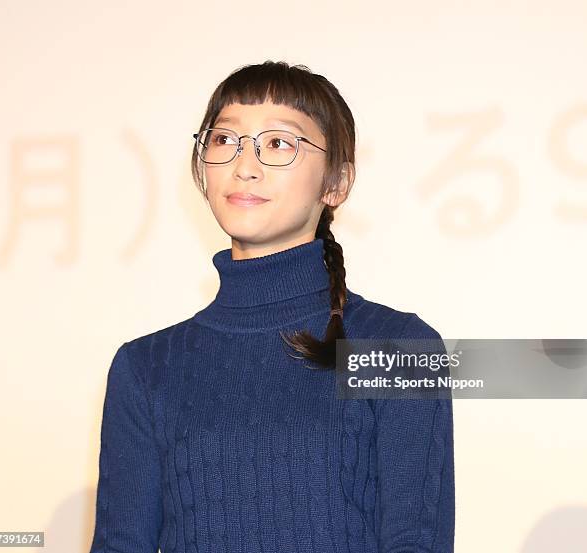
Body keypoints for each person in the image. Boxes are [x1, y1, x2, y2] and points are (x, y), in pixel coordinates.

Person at [89, 60, 455, 553]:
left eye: (279, 143)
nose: (245, 165)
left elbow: (417, 541)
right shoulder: (146, 367)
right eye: (224, 141)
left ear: (337, 183)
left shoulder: (400, 349)